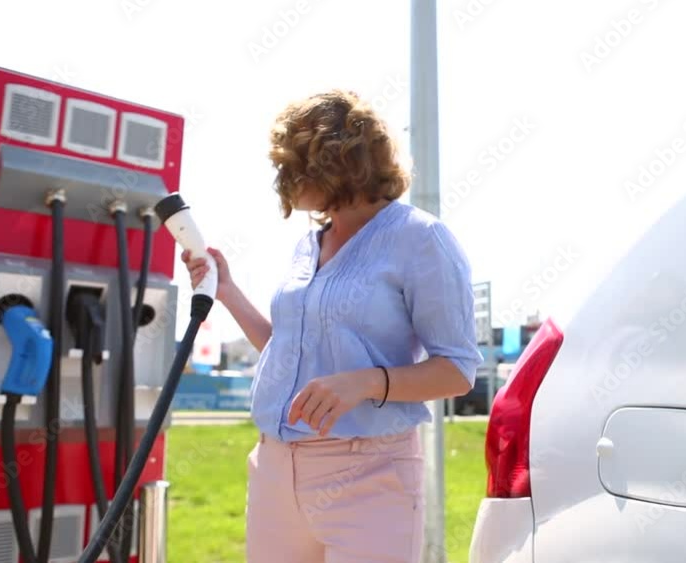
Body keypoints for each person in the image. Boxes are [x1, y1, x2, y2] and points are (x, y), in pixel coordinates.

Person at [182, 89, 482, 563]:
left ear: (333, 162)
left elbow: (458, 369)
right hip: (275, 470)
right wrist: (228, 291)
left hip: (370, 472)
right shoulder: (308, 245)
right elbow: (286, 352)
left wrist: (365, 383)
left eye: (291, 164)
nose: (282, 178)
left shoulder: (421, 240)